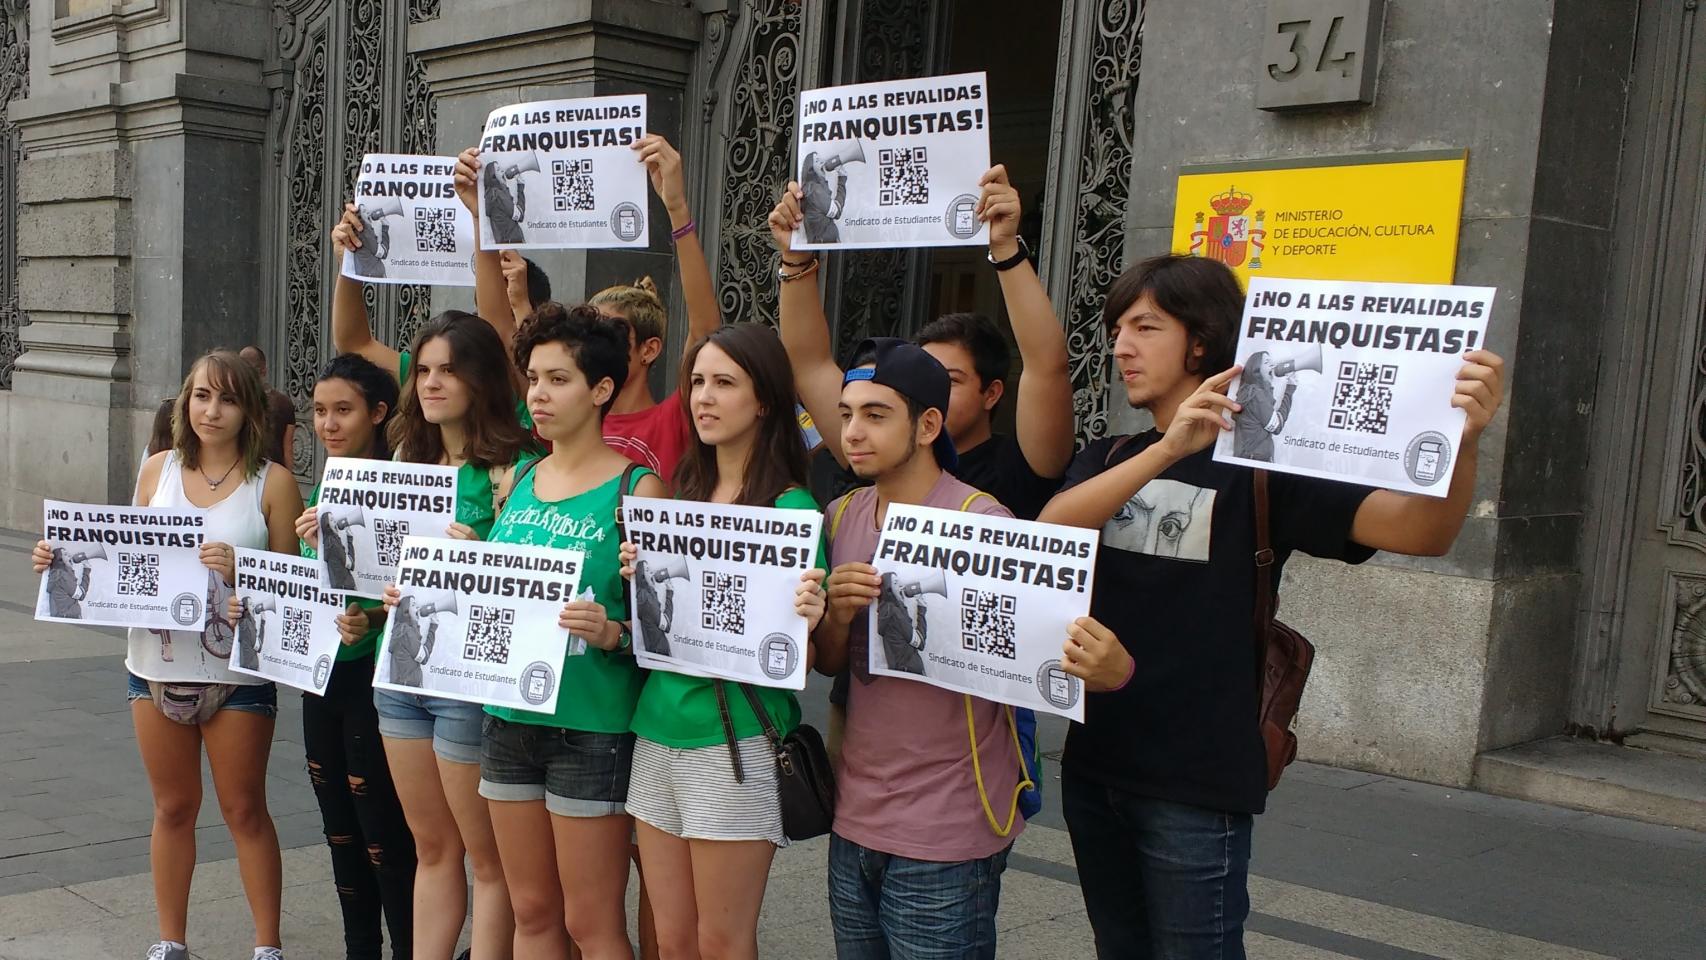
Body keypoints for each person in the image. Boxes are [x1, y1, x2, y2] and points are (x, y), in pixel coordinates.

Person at [1036, 254, 1507, 959]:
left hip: (1197, 782)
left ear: (1201, 341)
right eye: (1115, 331)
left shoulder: (1266, 468)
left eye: (1144, 327)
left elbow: (1422, 532)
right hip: (1095, 764)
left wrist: (1463, 444)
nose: (1121, 347)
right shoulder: (1112, 456)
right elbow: (1051, 531)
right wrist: (1168, 449)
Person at [31, 351, 304, 960]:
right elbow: (122, 557)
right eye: (202, 396)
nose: (212, 411)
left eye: (228, 399)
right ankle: (170, 939)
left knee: (244, 809)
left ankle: (267, 945)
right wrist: (59, 559)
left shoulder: (273, 483)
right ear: (185, 402)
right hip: (152, 667)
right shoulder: (157, 470)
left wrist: (243, 570)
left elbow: (294, 586)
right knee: (173, 807)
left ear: (249, 410)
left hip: (235, 674)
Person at [622, 323, 828, 960]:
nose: (704, 397)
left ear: (763, 400)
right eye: (697, 383)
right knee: (671, 939)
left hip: (732, 740)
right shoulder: (678, 495)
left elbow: (800, 661)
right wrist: (640, 581)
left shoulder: (792, 511)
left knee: (721, 941)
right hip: (655, 730)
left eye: (724, 383)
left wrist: (808, 617)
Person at [814, 338, 1025, 960]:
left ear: (928, 425)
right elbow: (830, 663)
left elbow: (1020, 661)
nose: (853, 431)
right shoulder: (841, 514)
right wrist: (837, 615)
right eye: (847, 414)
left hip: (948, 825)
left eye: (876, 415)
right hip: (854, 813)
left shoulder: (983, 520)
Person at [469, 303, 666, 959]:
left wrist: (614, 632)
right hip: (508, 717)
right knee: (531, 911)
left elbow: (669, 626)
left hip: (591, 726)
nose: (538, 395)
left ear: (601, 389)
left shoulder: (639, 489)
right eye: (533, 378)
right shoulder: (522, 477)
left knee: (592, 922)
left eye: (558, 379)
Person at [769, 163, 1074, 521]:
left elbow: (1046, 365)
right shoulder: (879, 450)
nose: (855, 430)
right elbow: (810, 364)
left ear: (991, 393)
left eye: (949, 379)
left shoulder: (1018, 468)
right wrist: (795, 256)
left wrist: (1006, 248)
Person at [366, 311, 533, 960]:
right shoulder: (407, 457)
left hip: (468, 679)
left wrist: (483, 556)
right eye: (424, 371)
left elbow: (533, 587)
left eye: (448, 371)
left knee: (488, 859)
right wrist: (344, 548)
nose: (430, 383)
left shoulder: (516, 470)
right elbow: (381, 573)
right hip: (402, 668)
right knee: (431, 846)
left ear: (481, 379)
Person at [457, 134, 721, 480]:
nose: (597, 341)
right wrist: (483, 218)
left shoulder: (671, 419)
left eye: (614, 331)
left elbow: (705, 332)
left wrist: (677, 210)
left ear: (649, 349)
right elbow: (498, 331)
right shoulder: (565, 412)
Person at [285, 352, 418, 960]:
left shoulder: (405, 483)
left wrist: (375, 619)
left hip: (376, 675)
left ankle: (411, 948)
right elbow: (305, 582)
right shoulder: (323, 486)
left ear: (379, 413)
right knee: (338, 826)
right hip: (321, 674)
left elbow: (420, 590)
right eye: (319, 411)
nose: (328, 424)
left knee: (384, 832)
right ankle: (359, 948)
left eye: (343, 410)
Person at [239, 346, 298, 470]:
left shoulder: (236, 402)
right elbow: (288, 448)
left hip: (243, 470)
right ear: (264, 370)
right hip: (274, 471)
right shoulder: (284, 402)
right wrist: (288, 476)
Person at [1231, 349, 1295, 462]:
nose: (1272, 365)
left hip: (1251, 457)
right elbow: (1277, 426)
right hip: (1256, 458)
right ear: (1256, 370)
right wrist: (1290, 389)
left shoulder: (1251, 392)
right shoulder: (1256, 394)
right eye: (1266, 362)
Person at [483, 161, 527, 244]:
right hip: (512, 242)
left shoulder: (491, 194)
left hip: (505, 242)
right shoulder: (498, 194)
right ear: (493, 177)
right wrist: (520, 187)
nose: (503, 171)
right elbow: (520, 216)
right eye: (498, 170)